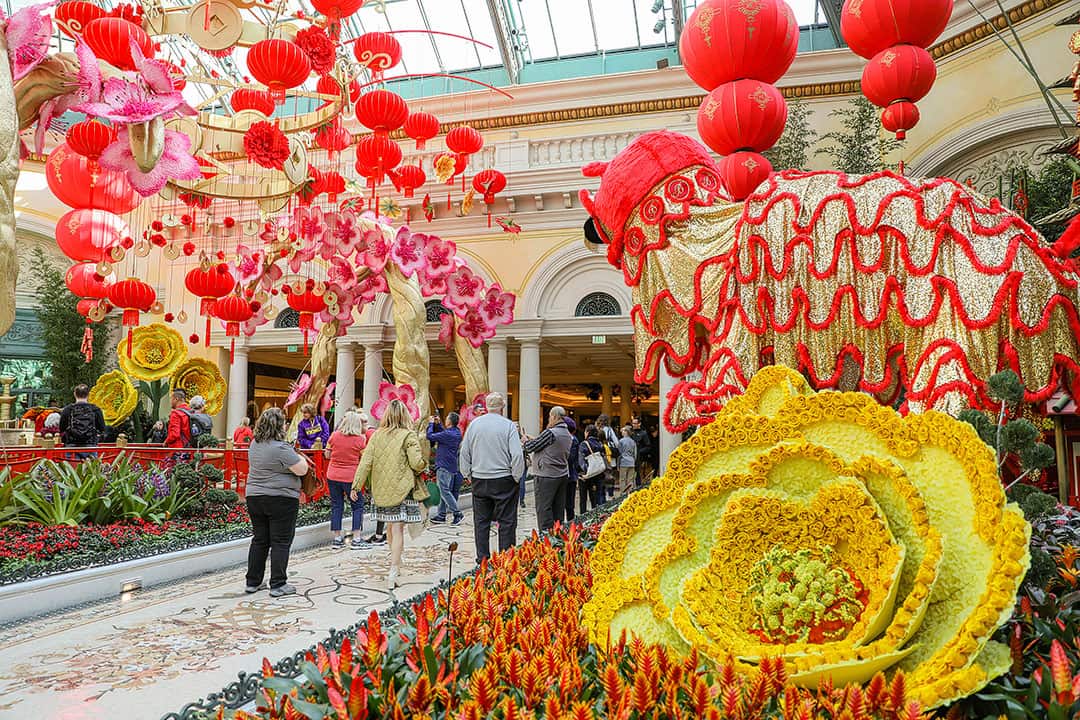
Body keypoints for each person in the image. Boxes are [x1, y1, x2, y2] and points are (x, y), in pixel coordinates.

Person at [351, 400, 426, 590]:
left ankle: (395, 562)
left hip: (381, 490)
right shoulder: (408, 435)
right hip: (402, 488)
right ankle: (394, 568)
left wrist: (356, 485)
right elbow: (417, 463)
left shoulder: (376, 436)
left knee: (391, 527)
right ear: (405, 415)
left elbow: (365, 462)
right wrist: (424, 461)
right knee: (398, 528)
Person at [245, 407, 308, 597]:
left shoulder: (255, 444)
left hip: (254, 497)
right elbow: (302, 469)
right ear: (280, 426)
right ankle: (278, 583)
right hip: (281, 499)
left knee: (260, 539)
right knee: (281, 541)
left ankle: (253, 581)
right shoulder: (281, 448)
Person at [459, 392, 525, 565]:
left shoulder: (474, 425)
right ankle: (506, 560)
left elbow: (464, 452)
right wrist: (517, 476)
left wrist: (467, 474)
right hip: (504, 479)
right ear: (503, 407)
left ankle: (482, 559)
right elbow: (517, 455)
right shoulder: (509, 426)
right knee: (507, 521)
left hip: (480, 478)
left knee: (481, 522)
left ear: (487, 407)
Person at [522, 406, 573, 532]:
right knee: (558, 508)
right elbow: (550, 446)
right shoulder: (566, 433)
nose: (549, 419)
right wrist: (535, 439)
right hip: (561, 474)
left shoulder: (551, 432)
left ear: (555, 417)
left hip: (546, 475)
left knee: (544, 508)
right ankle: (558, 534)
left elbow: (530, 447)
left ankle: (545, 537)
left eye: (550, 416)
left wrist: (524, 440)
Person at [326, 410, 368, 548]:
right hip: (351, 478)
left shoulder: (334, 436)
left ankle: (337, 538)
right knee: (357, 506)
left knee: (336, 506)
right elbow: (364, 459)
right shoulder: (360, 440)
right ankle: (356, 538)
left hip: (332, 475)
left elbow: (327, 454)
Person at [427, 412, 463, 525]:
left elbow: (430, 436)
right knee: (443, 491)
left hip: (444, 466)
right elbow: (444, 433)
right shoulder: (456, 433)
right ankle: (441, 515)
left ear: (450, 421)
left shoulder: (448, 434)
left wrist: (431, 424)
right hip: (450, 466)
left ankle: (457, 513)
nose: (445, 419)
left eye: (446, 418)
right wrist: (438, 425)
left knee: (444, 491)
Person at [59, 384, 106, 458]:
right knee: (91, 468)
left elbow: (61, 428)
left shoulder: (68, 409)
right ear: (88, 394)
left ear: (74, 394)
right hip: (90, 445)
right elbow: (102, 428)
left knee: (72, 467)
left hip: (72, 446)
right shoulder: (95, 409)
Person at [579, 426, 609, 512]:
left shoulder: (584, 444)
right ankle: (597, 516)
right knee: (596, 498)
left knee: (583, 499)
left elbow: (581, 461)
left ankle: (583, 518)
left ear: (587, 432)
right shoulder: (600, 443)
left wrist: (586, 471)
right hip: (599, 474)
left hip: (586, 476)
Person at [595, 414, 620, 502]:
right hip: (610, 457)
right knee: (610, 476)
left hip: (600, 457)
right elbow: (617, 443)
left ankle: (602, 496)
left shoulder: (597, 430)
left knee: (601, 477)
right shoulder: (609, 430)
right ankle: (610, 494)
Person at [564, 416, 580, 522]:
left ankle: (570, 525)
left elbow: (571, 458)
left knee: (569, 504)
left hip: (569, 476)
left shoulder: (573, 440)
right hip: (567, 475)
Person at [631, 417, 651, 485]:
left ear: (639, 424)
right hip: (630, 457)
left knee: (638, 475)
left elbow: (648, 446)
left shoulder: (643, 433)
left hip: (640, 458)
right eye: (633, 423)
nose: (633, 425)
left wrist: (639, 451)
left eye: (635, 423)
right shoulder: (630, 433)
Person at [617, 425, 638, 493]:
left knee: (623, 479)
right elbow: (635, 454)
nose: (622, 432)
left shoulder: (621, 441)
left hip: (623, 462)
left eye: (623, 431)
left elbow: (619, 452)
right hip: (631, 462)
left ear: (626, 432)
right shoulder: (633, 441)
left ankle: (623, 494)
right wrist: (633, 461)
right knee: (630, 479)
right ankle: (630, 494)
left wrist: (618, 464)